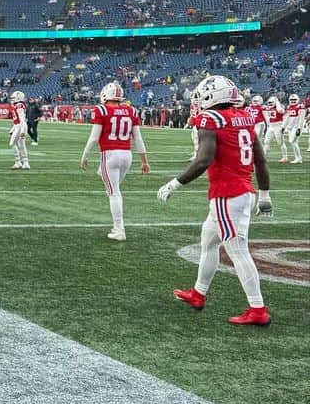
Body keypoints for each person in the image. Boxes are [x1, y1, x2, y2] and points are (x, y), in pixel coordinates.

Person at [157, 74, 273, 326]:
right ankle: (198, 293)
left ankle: (258, 308)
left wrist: (176, 183)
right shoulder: (244, 117)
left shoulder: (211, 118)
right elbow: (261, 159)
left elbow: (204, 159)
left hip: (227, 194)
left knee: (236, 249)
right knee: (208, 239)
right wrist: (264, 193)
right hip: (243, 191)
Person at [80, 81, 150, 242]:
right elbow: (138, 138)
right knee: (113, 188)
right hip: (127, 155)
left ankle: (119, 229)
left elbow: (93, 137)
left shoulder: (101, 109)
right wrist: (144, 161)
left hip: (110, 155)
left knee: (114, 193)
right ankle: (118, 227)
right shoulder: (131, 110)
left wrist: (84, 155)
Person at [8, 91, 30, 169]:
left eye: (13, 98)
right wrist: (12, 129)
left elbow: (22, 120)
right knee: (21, 145)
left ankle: (18, 162)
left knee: (12, 143)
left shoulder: (19, 105)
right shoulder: (17, 105)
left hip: (20, 127)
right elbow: (17, 120)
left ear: (18, 98)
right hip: (19, 126)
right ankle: (25, 162)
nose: (12, 100)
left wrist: (23, 131)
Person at [282, 93, 304, 164]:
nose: (293, 101)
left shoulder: (300, 106)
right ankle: (298, 158)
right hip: (290, 128)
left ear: (298, 100)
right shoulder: (289, 107)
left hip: (296, 127)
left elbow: (301, 118)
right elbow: (287, 118)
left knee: (292, 141)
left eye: (294, 100)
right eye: (291, 99)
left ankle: (299, 158)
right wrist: (284, 127)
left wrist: (299, 128)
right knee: (294, 142)